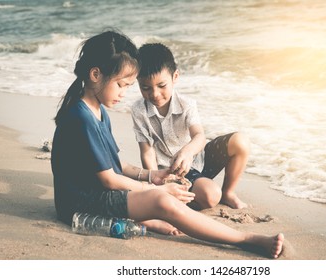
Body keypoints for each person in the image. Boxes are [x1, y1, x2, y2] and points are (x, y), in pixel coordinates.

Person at [51, 30, 284, 259]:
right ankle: (246, 240)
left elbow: (116, 164)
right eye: (121, 85)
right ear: (95, 74)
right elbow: (109, 179)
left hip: (97, 194)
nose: (124, 94)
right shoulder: (81, 116)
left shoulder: (98, 110)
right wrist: (158, 190)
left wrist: (154, 176)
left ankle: (149, 216)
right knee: (161, 200)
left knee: (157, 197)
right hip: (80, 204)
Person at [131, 43, 250, 210]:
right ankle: (180, 196)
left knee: (240, 141)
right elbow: (147, 152)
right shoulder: (139, 110)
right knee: (210, 196)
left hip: (197, 159)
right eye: (146, 88)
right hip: (170, 172)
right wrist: (156, 188)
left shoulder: (186, 104)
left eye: (161, 86)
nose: (155, 94)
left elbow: (199, 136)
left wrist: (186, 152)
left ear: (175, 77)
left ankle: (228, 193)